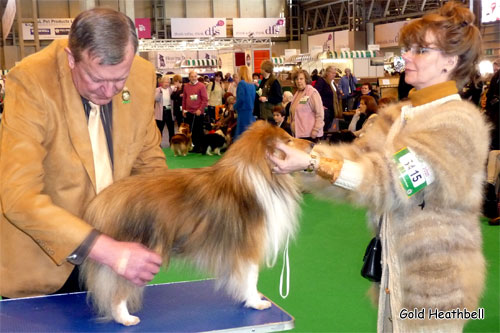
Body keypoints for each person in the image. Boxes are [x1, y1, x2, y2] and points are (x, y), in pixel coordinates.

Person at [269, 2, 489, 332]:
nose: (407, 57)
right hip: (393, 269)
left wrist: (313, 160)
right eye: (408, 48)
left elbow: (392, 181)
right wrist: (299, 157)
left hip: (437, 281)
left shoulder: (457, 124)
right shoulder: (397, 117)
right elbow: (356, 164)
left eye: (421, 50)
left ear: (451, 61)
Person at [0, 8, 166, 299]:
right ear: (70, 59)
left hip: (114, 262)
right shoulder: (30, 80)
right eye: (96, 78)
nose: (109, 90)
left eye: (119, 79)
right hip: (45, 263)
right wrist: (104, 249)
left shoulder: (141, 75)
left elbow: (150, 168)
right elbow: (17, 195)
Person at [288, 69, 324, 142]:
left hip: (310, 135)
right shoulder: (297, 93)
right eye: (296, 79)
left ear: (306, 80)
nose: (298, 81)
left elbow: (320, 113)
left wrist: (316, 130)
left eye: (301, 79)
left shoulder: (312, 92)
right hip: (298, 135)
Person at [182, 70, 208, 153]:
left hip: (198, 112)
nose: (193, 78)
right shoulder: (186, 86)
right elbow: (184, 99)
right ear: (189, 77)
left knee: (199, 130)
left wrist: (200, 109)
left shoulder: (202, 86)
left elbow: (205, 100)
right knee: (191, 131)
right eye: (192, 76)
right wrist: (183, 110)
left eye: (195, 76)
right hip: (189, 112)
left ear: (197, 77)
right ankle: (195, 147)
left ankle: (201, 147)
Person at [314, 65, 342, 133]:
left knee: (332, 128)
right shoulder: (322, 81)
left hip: (333, 110)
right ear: (327, 73)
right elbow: (315, 93)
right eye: (332, 73)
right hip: (326, 111)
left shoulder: (333, 82)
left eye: (335, 73)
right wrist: (320, 105)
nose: (334, 75)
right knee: (326, 129)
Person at [233, 66, 256, 140]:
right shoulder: (252, 85)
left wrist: (234, 106)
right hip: (250, 111)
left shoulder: (241, 84)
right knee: (249, 133)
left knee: (241, 134)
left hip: (243, 111)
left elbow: (241, 99)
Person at [154, 75, 175, 143]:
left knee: (171, 129)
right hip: (160, 112)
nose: (167, 84)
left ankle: (172, 142)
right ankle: (158, 143)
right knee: (159, 129)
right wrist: (160, 93)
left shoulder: (171, 89)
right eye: (165, 82)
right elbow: (156, 99)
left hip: (169, 111)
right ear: (161, 83)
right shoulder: (157, 89)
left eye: (168, 82)